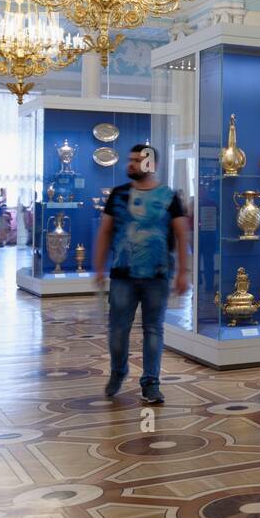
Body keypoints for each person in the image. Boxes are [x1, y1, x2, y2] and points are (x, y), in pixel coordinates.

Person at [94, 144, 189, 405]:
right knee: (117, 330)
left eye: (137, 160)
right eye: (130, 159)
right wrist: (99, 267)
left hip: (157, 276)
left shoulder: (169, 196)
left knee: (153, 330)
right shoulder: (119, 194)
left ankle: (151, 383)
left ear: (151, 164)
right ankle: (118, 370)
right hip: (123, 275)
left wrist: (183, 272)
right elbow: (105, 231)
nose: (131, 164)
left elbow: (182, 234)